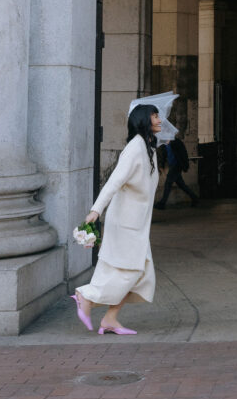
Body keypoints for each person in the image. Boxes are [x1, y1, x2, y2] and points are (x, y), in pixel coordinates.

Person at [70, 103, 161, 335]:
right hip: (125, 224)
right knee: (131, 273)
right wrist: (96, 210)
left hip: (137, 225)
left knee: (140, 276)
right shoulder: (134, 148)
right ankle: (86, 296)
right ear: (143, 120)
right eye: (154, 116)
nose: (159, 120)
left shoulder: (149, 148)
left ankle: (110, 319)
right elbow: (114, 182)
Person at [154, 135, 199, 208]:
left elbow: (183, 154)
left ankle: (162, 203)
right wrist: (161, 165)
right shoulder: (164, 143)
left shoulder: (176, 142)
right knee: (181, 184)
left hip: (177, 165)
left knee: (168, 183)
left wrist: (184, 165)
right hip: (172, 165)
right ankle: (194, 197)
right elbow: (164, 154)